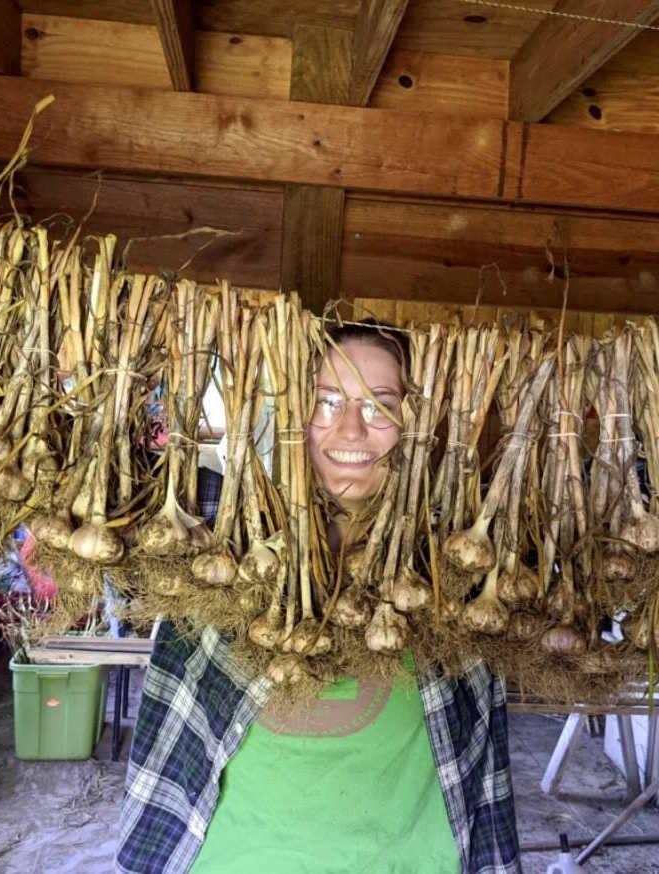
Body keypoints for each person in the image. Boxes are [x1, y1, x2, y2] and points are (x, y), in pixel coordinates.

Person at [116, 323, 522, 874]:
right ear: (291, 415)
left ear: (416, 423)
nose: (351, 429)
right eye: (326, 402)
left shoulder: (454, 563)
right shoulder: (215, 525)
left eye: (381, 407)